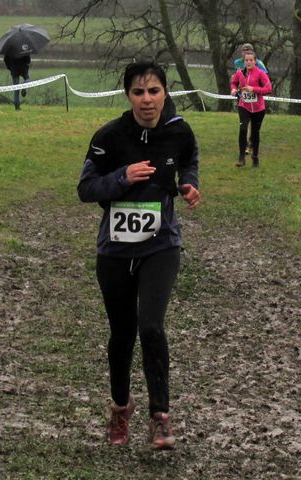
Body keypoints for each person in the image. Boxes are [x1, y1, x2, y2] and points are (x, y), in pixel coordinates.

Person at [77, 59, 200, 450]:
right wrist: (122, 177)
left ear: (165, 93)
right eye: (138, 92)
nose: (147, 100)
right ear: (128, 95)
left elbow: (189, 160)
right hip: (114, 251)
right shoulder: (109, 137)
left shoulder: (179, 131)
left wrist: (189, 184)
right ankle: (120, 406)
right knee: (122, 332)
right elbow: (85, 189)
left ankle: (160, 417)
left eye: (154, 91)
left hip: (161, 246)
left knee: (151, 326)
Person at [231, 49, 272, 167]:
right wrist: (233, 89)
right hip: (244, 106)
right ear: (244, 61)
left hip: (258, 108)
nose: (248, 62)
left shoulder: (260, 73)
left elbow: (268, 89)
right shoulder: (240, 73)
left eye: (251, 60)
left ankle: (255, 157)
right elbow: (234, 82)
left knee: (255, 133)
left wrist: (254, 89)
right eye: (246, 60)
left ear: (255, 61)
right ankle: (241, 157)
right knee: (243, 128)